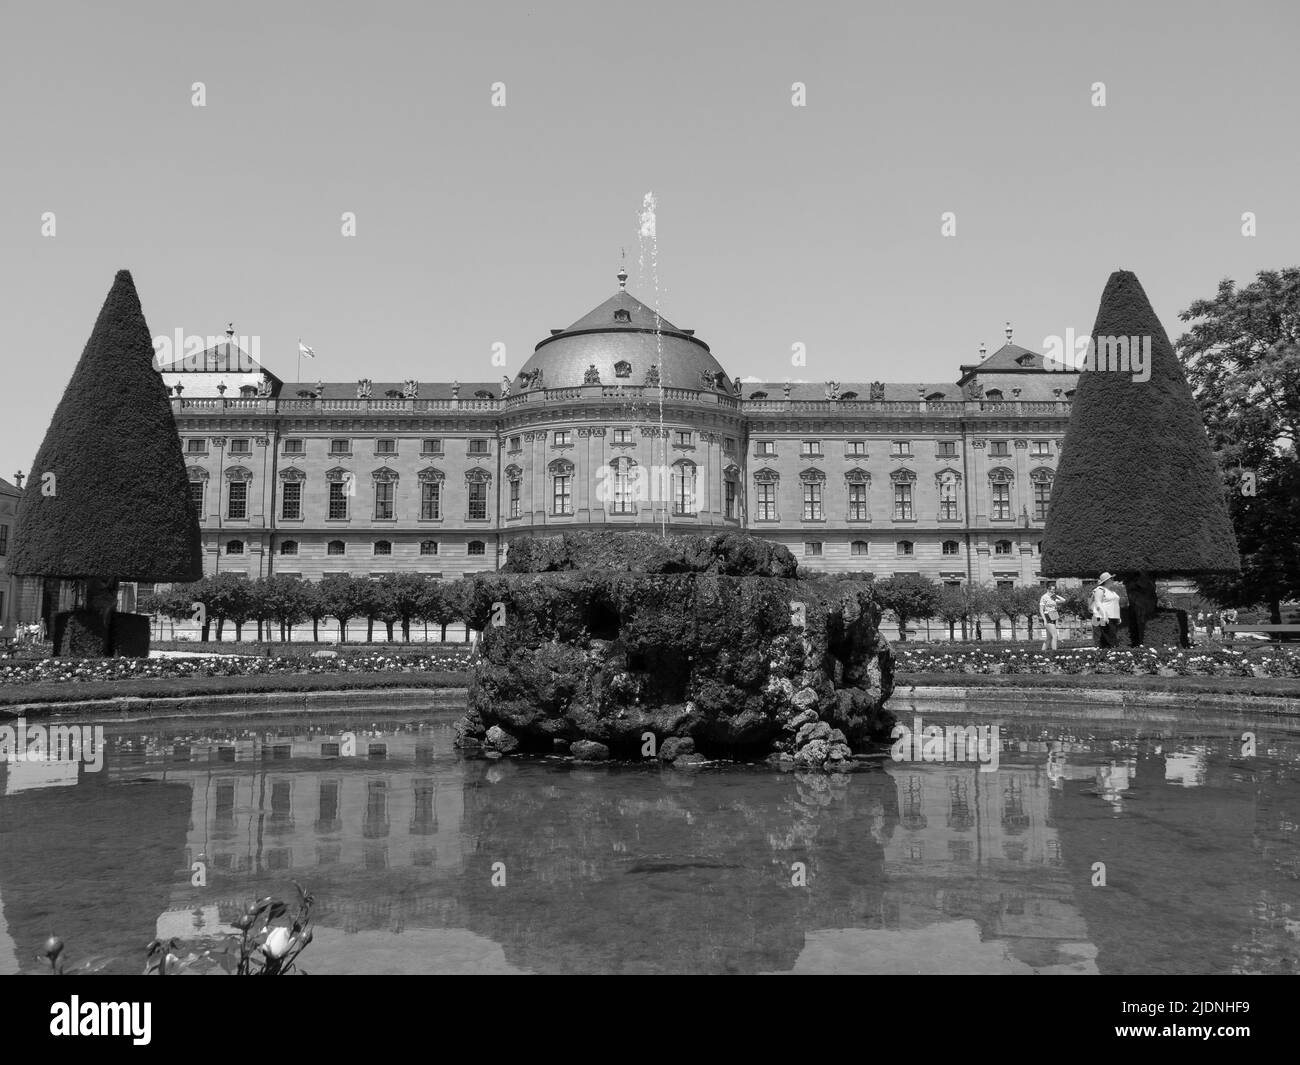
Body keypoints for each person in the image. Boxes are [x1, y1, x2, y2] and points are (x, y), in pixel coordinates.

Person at [1091, 572, 1122, 648]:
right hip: (1101, 618)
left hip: (1112, 618)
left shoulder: (1112, 592)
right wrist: (1104, 615)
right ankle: (1106, 656)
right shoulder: (1100, 589)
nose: (1113, 580)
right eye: (1111, 578)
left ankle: (1109, 655)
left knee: (1110, 639)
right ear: (1107, 580)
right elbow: (1098, 602)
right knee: (1106, 640)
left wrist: (1118, 617)